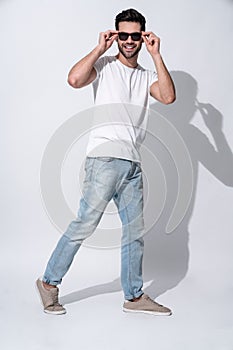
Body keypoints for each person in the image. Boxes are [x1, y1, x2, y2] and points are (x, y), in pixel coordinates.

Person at [36, 8, 176, 316]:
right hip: (103, 159)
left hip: (133, 165)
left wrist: (156, 55)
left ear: (143, 37)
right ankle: (48, 284)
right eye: (122, 35)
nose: (128, 40)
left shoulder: (146, 76)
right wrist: (100, 47)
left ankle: (134, 296)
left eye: (134, 36)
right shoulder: (104, 66)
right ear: (115, 36)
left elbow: (167, 97)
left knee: (135, 232)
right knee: (85, 223)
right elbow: (74, 79)